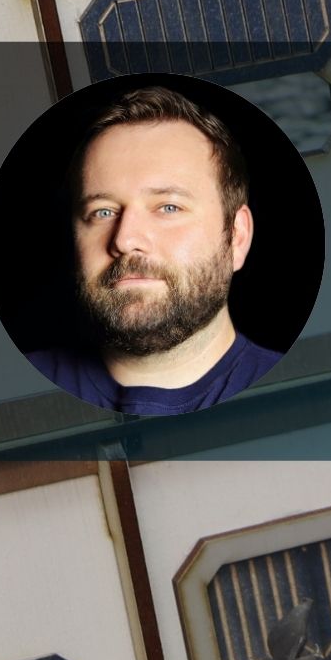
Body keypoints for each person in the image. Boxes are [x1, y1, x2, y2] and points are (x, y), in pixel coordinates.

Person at [28, 84, 286, 417]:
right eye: (103, 211)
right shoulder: (9, 398)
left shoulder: (303, 398)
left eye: (168, 207)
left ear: (237, 236)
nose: (125, 240)